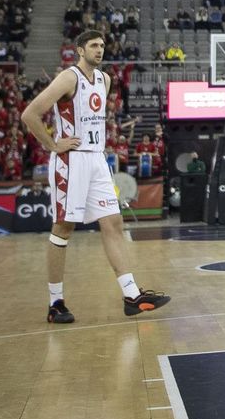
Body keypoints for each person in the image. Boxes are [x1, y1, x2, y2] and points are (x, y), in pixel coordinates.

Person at [19, 31, 169, 323]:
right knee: (63, 229)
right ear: (79, 50)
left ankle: (131, 295)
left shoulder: (106, 80)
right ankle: (55, 303)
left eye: (102, 45)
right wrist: (52, 144)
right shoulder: (68, 78)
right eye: (94, 46)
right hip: (71, 160)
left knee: (113, 223)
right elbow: (30, 114)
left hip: (98, 159)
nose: (100, 50)